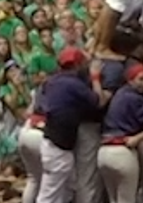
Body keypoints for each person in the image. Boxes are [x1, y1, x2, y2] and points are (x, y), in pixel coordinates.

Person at [37, 49, 108, 203]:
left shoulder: (53, 81)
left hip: (53, 141)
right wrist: (95, 77)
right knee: (49, 195)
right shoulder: (73, 84)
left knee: (66, 191)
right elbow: (99, 102)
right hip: (58, 147)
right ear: (78, 65)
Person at [98, 64, 143, 203]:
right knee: (127, 199)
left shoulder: (118, 94)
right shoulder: (134, 99)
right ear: (130, 80)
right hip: (122, 151)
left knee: (113, 199)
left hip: (103, 151)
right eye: (141, 79)